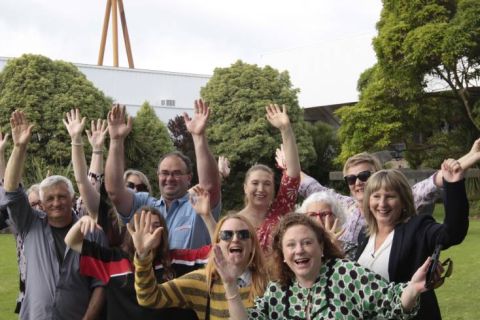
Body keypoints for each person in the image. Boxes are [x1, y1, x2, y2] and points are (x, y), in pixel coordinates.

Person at [215, 213, 437, 319]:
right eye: (290, 245)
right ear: (282, 255)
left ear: (321, 247)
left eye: (307, 242)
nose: (299, 250)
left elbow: (393, 302)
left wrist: (412, 288)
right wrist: (230, 285)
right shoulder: (278, 290)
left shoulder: (346, 274)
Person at [3, 110, 106, 320]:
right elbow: (11, 190)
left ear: (72, 197)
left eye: (62, 196)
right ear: (41, 203)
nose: (56, 202)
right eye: (50, 199)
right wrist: (19, 147)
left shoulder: (92, 233)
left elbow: (100, 283)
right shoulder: (29, 224)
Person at [356, 159, 469, 319]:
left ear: (403, 201)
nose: (382, 203)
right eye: (376, 196)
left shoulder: (418, 228)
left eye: (390, 197)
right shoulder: (364, 235)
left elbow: (453, 233)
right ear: (368, 201)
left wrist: (453, 185)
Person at [105, 101, 221, 249]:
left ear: (189, 178)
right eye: (165, 173)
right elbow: (114, 192)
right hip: (147, 272)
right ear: (157, 175)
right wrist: (116, 140)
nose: (170, 179)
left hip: (192, 272)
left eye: (177, 173)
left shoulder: (199, 205)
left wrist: (199, 136)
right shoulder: (144, 205)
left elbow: (210, 186)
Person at [65, 205, 213, 320]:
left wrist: (207, 216)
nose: (149, 229)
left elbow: (218, 251)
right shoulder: (113, 259)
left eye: (155, 225)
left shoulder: (177, 259)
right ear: (132, 230)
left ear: (164, 232)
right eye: (143, 224)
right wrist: (81, 223)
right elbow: (71, 241)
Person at [132, 213, 268, 319]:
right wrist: (143, 257)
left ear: (252, 245)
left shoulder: (269, 282)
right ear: (217, 244)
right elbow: (149, 298)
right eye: (227, 235)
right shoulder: (203, 281)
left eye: (243, 234)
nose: (235, 239)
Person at [237, 104, 301, 251]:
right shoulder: (235, 222)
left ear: (273, 188)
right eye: (255, 183)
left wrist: (286, 129)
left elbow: (293, 174)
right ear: (245, 187)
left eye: (267, 184)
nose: (261, 189)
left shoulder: (282, 209)